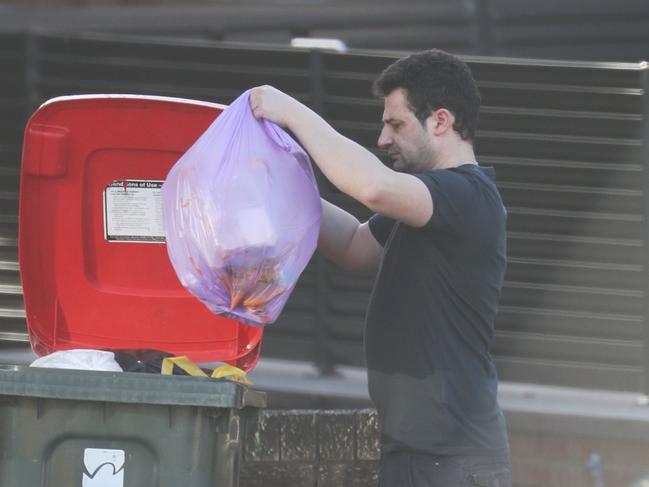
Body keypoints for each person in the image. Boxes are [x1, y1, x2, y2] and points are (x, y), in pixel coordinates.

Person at [250, 48, 511, 487]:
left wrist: (291, 111)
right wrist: (280, 185)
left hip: (453, 459)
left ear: (441, 121)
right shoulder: (425, 202)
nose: (383, 139)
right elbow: (352, 245)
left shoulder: (468, 197)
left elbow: (372, 187)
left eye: (396, 124)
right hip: (414, 452)